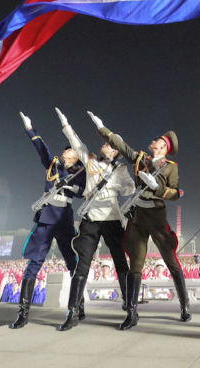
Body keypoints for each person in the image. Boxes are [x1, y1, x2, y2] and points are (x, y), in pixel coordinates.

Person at [89, 110, 190, 330]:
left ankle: (185, 305)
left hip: (156, 215)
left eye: (158, 141)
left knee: (170, 259)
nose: (153, 141)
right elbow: (121, 145)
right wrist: (102, 128)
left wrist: (158, 188)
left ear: (164, 148)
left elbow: (175, 193)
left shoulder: (171, 168)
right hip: (137, 216)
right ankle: (132, 313)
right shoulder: (140, 159)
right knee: (135, 262)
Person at [56, 109, 136, 331]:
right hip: (91, 216)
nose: (104, 145)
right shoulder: (90, 160)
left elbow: (130, 188)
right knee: (82, 264)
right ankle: (72, 313)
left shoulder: (120, 169)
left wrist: (121, 185)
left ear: (115, 150)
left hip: (111, 217)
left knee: (121, 262)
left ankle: (130, 310)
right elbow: (76, 143)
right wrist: (65, 124)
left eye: (109, 144)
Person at [12, 112, 86, 329]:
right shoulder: (53, 165)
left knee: (73, 264)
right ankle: (22, 313)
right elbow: (41, 148)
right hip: (45, 217)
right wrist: (30, 129)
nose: (66, 151)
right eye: (65, 149)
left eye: (70, 149)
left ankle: (77, 307)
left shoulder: (81, 172)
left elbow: (84, 192)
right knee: (34, 263)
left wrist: (73, 187)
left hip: (63, 219)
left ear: (77, 156)